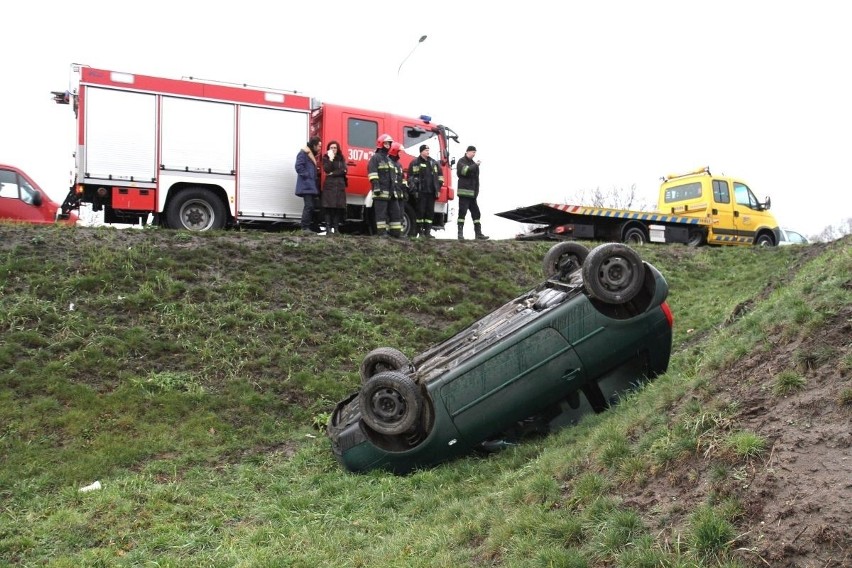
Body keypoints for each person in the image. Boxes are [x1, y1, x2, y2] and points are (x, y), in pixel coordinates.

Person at [367, 134, 402, 237]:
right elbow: (372, 173)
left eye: (389, 143)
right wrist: (376, 186)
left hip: (391, 193)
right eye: (386, 143)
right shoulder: (375, 158)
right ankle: (382, 233)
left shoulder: (389, 160)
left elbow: (394, 177)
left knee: (396, 213)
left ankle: (396, 233)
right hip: (381, 191)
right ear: (381, 144)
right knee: (381, 214)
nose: (388, 145)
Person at [407, 144, 444, 239]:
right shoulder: (415, 163)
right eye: (426, 150)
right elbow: (410, 178)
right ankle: (420, 232)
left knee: (430, 212)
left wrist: (438, 189)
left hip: (431, 193)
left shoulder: (434, 163)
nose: (428, 151)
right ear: (421, 151)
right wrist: (414, 190)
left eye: (428, 150)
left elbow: (440, 177)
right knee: (420, 212)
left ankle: (428, 232)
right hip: (420, 192)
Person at [456, 145, 489, 240]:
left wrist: (476, 193)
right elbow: (464, 171)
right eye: (473, 152)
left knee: (476, 213)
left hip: (472, 195)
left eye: (475, 152)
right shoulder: (461, 161)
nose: (474, 154)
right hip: (464, 193)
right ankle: (460, 234)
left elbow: (476, 180)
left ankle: (478, 234)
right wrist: (476, 165)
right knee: (462, 213)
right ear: (467, 152)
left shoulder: (474, 164)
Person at [295, 135, 321, 235]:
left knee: (311, 206)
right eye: (318, 146)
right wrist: (308, 176)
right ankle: (304, 228)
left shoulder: (310, 154)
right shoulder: (303, 153)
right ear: (314, 145)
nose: (319, 148)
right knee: (309, 206)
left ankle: (308, 227)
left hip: (310, 186)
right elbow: (298, 166)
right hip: (306, 185)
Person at [321, 140, 348, 236]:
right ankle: (328, 229)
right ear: (328, 149)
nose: (333, 149)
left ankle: (336, 229)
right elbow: (327, 169)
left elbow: (344, 170)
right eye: (331, 147)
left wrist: (333, 173)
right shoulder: (325, 158)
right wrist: (331, 159)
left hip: (340, 185)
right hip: (330, 185)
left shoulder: (341, 158)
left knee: (337, 208)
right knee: (328, 208)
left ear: (338, 149)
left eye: (335, 147)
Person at [387, 142, 408, 238]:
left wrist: (405, 190)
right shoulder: (389, 162)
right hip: (392, 193)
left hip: (399, 193)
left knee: (400, 213)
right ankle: (392, 233)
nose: (400, 154)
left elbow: (402, 179)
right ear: (395, 151)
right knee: (393, 213)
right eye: (399, 152)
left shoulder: (399, 165)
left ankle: (397, 233)